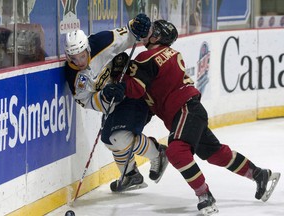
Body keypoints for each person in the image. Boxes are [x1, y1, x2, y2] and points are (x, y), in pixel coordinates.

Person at [113, 20, 281, 215]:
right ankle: (258, 174)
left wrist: (120, 77)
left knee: (176, 151)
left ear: (160, 37)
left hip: (185, 110)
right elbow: (153, 91)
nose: (150, 33)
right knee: (216, 153)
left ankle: (204, 195)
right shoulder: (167, 55)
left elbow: (135, 90)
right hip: (191, 111)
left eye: (154, 31)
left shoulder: (147, 57)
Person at [64, 14, 168, 192]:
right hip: (114, 101)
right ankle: (130, 175)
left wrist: (137, 25)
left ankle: (158, 153)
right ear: (68, 57)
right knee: (108, 137)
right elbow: (85, 100)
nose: (80, 62)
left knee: (117, 137)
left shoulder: (101, 42)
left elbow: (128, 34)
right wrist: (104, 96)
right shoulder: (73, 76)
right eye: (75, 59)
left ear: (88, 48)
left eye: (82, 56)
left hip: (134, 90)